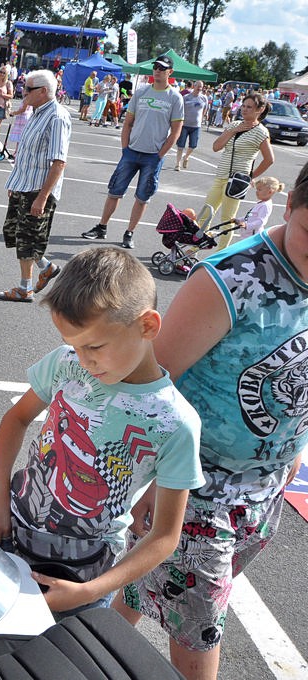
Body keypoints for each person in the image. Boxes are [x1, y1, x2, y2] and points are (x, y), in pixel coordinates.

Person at [115, 162, 308, 680]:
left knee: (155, 585)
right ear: (288, 207)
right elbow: (154, 377)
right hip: (197, 484)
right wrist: (154, 473)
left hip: (266, 485)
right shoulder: (232, 279)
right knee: (201, 628)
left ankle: (93, 643)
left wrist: (295, 449)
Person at [0, 247, 203, 619]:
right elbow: (16, 419)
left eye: (95, 347)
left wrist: (88, 591)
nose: (83, 361)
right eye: (74, 347)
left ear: (147, 325)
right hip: (12, 532)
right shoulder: (65, 365)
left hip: (86, 570)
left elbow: (165, 537)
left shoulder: (175, 423)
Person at [81, 54, 183, 250]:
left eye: (162, 68)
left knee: (142, 197)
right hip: (131, 152)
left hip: (152, 156)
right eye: (156, 67)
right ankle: (101, 227)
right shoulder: (142, 92)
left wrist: (160, 154)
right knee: (114, 191)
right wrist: (125, 148)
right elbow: (127, 122)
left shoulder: (174, 98)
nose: (158, 70)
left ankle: (130, 232)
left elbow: (176, 131)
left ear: (170, 72)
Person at [0, 70, 71, 303]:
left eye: (28, 89)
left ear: (44, 91)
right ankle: (46, 268)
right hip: (23, 184)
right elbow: (27, 153)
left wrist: (42, 197)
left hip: (38, 189)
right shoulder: (36, 112)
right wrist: (16, 182)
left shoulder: (57, 117)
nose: (23, 92)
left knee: (27, 239)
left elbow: (59, 162)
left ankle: (24, 288)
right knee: (15, 232)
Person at [196, 92, 274, 250]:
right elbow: (216, 147)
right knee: (206, 212)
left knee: (228, 219)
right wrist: (233, 130)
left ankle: (219, 256)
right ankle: (194, 249)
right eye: (243, 106)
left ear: (260, 109)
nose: (244, 110)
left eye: (249, 107)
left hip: (237, 181)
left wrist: (251, 176)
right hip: (221, 175)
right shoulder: (234, 125)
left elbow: (269, 159)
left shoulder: (261, 132)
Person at [175, 80, 208, 171]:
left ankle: (186, 157)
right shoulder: (186, 97)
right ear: (194, 86)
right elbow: (180, 109)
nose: (199, 88)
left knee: (193, 145)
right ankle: (178, 164)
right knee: (180, 145)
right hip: (185, 124)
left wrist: (201, 119)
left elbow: (205, 109)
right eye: (198, 86)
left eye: (201, 87)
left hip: (196, 126)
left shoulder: (204, 98)